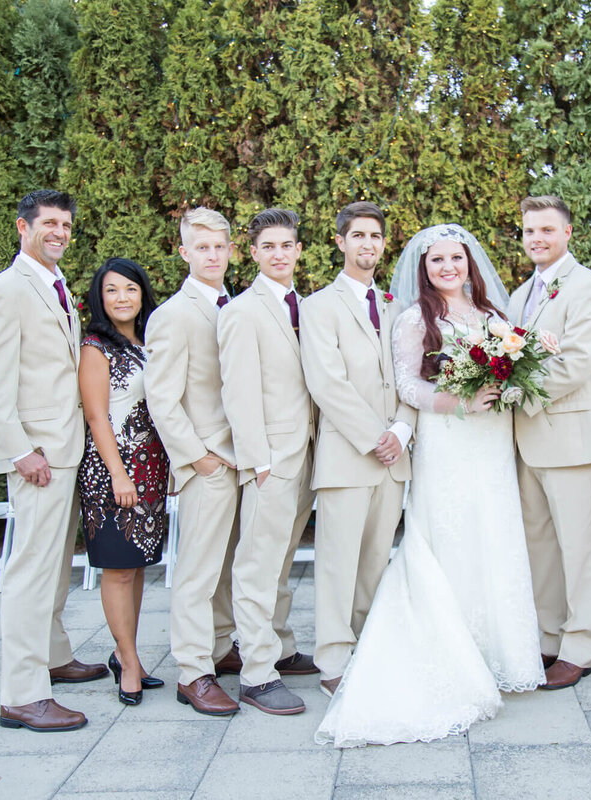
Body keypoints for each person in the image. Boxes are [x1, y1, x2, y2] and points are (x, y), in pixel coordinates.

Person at [315, 224, 544, 748]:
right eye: (436, 260)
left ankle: (498, 652)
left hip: (490, 442)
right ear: (423, 268)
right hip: (446, 438)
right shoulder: (415, 318)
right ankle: (446, 645)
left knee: (494, 532)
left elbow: (512, 367)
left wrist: (505, 385)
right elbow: (408, 384)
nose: (447, 268)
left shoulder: (492, 318)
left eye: (455, 259)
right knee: (451, 534)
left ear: (470, 264)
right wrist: (458, 400)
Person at [0, 189, 108, 733]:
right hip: (39, 454)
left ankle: (52, 654)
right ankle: (22, 694)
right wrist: (19, 449)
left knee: (53, 567)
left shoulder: (53, 285)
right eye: (49, 222)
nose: (59, 232)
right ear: (22, 226)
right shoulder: (5, 290)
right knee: (31, 570)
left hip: (64, 447)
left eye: (66, 224)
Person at [300, 202, 415, 698]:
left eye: (375, 236)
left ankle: (366, 650)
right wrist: (376, 437)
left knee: (374, 563)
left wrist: (403, 432)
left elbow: (414, 377)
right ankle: (332, 662)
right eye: (358, 235)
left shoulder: (396, 307)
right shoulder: (319, 306)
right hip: (349, 459)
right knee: (338, 564)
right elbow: (328, 384)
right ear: (340, 241)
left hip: (395, 458)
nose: (367, 244)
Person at [508, 196, 591, 689]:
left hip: (572, 439)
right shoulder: (518, 295)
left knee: (580, 550)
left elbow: (574, 364)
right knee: (541, 549)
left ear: (568, 233)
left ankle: (579, 646)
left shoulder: (589, 289)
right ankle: (547, 638)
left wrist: (513, 392)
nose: (537, 239)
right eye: (530, 230)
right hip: (526, 443)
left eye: (547, 230)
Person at [218, 208, 318, 715]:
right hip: (270, 458)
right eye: (269, 247)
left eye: (287, 245)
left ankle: (280, 643)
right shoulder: (241, 311)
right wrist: (255, 460)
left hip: (308, 452)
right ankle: (257, 672)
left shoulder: (305, 306)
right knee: (257, 562)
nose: (279, 254)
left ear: (299, 250)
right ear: (253, 254)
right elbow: (237, 393)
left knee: (281, 559)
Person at [144, 207, 242, 717]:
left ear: (230, 250)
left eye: (219, 246)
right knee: (197, 572)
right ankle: (192, 671)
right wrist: (198, 459)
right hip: (209, 463)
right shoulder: (173, 316)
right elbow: (162, 399)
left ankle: (222, 648)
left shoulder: (236, 305)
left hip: (243, 459)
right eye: (201, 247)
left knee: (227, 568)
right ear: (184, 252)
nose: (211, 254)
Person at [77, 258, 170, 706]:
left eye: (130, 289)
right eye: (112, 290)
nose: (122, 298)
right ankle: (129, 664)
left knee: (136, 568)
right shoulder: (96, 346)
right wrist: (118, 473)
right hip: (111, 470)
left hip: (151, 467)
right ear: (100, 296)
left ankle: (125, 652)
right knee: (117, 570)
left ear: (142, 294)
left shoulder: (150, 341)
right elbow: (96, 416)